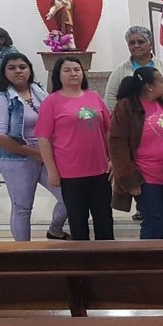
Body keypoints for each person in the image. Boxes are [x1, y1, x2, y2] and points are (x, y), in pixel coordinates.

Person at [0, 52, 70, 241]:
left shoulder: (38, 90)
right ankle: (24, 251)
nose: (18, 71)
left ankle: (55, 230)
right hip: (17, 159)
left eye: (22, 67)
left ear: (30, 70)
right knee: (23, 207)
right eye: (12, 68)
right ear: (4, 72)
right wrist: (34, 153)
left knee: (69, 197)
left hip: (45, 155)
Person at [35, 56, 114, 241]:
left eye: (77, 69)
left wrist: (112, 159)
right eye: (67, 70)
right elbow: (43, 139)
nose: (73, 73)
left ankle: (107, 255)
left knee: (104, 218)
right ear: (58, 75)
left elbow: (108, 130)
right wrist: (52, 171)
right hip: (70, 172)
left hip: (100, 169)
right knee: (78, 220)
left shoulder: (94, 97)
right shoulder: (51, 102)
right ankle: (82, 257)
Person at [109, 67, 163, 239]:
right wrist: (129, 180)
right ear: (149, 86)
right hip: (145, 175)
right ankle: (149, 255)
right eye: (160, 81)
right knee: (153, 221)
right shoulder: (126, 107)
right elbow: (118, 144)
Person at [104, 26, 163, 116]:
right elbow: (110, 98)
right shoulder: (119, 71)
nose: (136, 45)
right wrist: (122, 119)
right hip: (132, 122)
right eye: (132, 43)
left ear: (150, 45)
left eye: (141, 42)